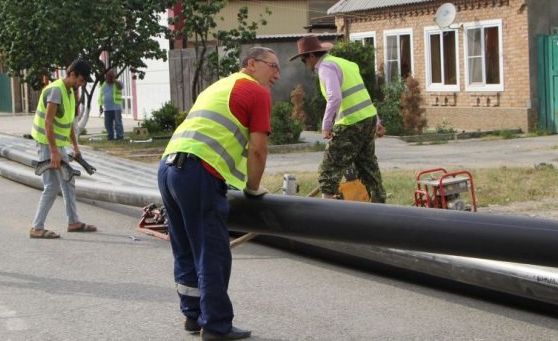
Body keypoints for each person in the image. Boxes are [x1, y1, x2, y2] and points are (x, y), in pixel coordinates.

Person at [158, 47, 280, 341]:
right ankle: (215, 324)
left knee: (186, 247)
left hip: (168, 167)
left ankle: (192, 316)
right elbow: (258, 149)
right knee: (211, 251)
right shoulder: (256, 92)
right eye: (272, 66)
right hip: (198, 172)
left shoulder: (219, 85)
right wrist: (252, 188)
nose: (277, 74)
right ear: (251, 64)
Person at [291, 35, 387, 203]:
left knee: (329, 169)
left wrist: (326, 125)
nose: (304, 64)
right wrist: (377, 121)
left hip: (350, 123)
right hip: (368, 119)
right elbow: (362, 94)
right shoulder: (346, 64)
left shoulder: (326, 67)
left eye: (303, 59)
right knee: (368, 167)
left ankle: (326, 210)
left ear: (312, 55)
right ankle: (381, 209)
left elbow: (335, 98)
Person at [29, 59, 97, 239]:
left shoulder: (70, 92)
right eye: (81, 80)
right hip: (46, 143)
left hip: (58, 144)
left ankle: (73, 222)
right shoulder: (56, 91)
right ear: (72, 74)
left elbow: (69, 124)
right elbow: (48, 123)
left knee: (68, 180)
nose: (82, 84)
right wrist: (53, 152)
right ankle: (37, 227)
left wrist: (75, 146)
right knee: (51, 186)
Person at [98, 70, 124, 140]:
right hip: (107, 108)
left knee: (118, 123)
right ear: (106, 77)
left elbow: (120, 87)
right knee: (108, 124)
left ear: (114, 77)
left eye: (111, 76)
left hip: (116, 107)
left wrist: (114, 80)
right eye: (108, 76)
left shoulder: (118, 83)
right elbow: (101, 96)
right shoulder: (104, 85)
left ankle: (120, 136)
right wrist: (100, 106)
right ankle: (110, 136)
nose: (109, 78)